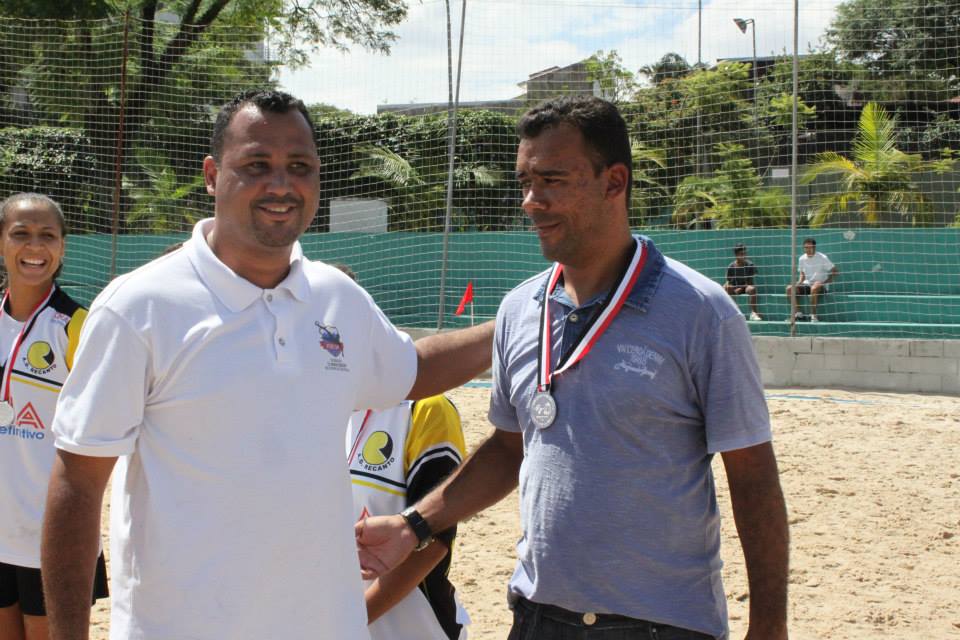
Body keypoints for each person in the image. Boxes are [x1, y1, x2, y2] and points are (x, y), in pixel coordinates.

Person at [40, 90, 492, 640]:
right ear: (212, 176)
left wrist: (512, 325)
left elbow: (412, 369)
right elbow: (77, 483)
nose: (281, 184)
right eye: (256, 165)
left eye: (299, 166)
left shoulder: (336, 296)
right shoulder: (139, 306)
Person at [356, 96, 789, 640]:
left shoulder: (702, 312)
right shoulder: (519, 309)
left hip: (660, 626)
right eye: (525, 182)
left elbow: (752, 477)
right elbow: (509, 450)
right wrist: (415, 523)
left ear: (614, 182)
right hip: (538, 614)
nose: (531, 201)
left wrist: (768, 625)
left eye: (552, 180)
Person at [337, 264, 470, 640]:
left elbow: (434, 543)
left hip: (411, 629)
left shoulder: (425, 409)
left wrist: (347, 622)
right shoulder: (312, 409)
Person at [0, 194, 108, 640]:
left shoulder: (79, 326)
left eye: (47, 235)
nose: (34, 246)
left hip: (50, 532)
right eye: (20, 233)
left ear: (63, 246)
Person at [785, 237, 838, 322]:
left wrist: (824, 283)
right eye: (806, 247)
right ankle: (798, 314)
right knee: (789, 289)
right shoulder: (801, 258)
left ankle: (813, 315)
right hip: (807, 285)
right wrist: (798, 283)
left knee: (814, 288)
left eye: (810, 247)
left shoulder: (822, 257)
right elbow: (802, 274)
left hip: (820, 286)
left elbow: (835, 271)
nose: (808, 250)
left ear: (814, 247)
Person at [724, 243, 762, 321]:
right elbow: (728, 281)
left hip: (746, 287)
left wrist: (740, 289)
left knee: (752, 289)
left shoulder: (750, 265)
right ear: (736, 255)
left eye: (745, 253)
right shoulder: (731, 266)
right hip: (735, 287)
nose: (744, 255)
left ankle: (754, 313)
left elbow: (750, 282)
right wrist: (726, 287)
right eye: (741, 254)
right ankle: (733, 313)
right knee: (726, 288)